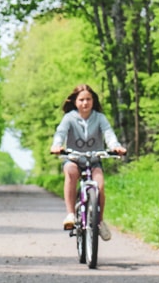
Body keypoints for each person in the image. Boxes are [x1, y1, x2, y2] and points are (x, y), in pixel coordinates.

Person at [49, 84, 126, 240]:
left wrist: (115, 146)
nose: (85, 103)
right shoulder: (69, 118)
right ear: (75, 102)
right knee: (70, 172)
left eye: (88, 99)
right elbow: (61, 132)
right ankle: (70, 214)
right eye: (81, 100)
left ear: (93, 101)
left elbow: (108, 133)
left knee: (100, 185)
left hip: (94, 159)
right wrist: (57, 145)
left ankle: (99, 221)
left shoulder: (99, 118)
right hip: (74, 159)